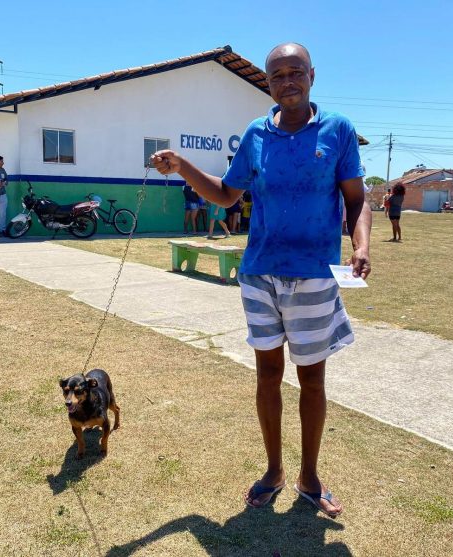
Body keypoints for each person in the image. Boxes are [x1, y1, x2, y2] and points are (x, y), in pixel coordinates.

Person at [151, 42, 371, 519]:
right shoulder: (255, 134)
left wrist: (360, 245)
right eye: (277, 76)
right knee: (268, 375)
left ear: (313, 74)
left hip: (314, 274)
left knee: (312, 379)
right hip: (259, 274)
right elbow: (229, 196)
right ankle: (273, 471)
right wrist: (184, 166)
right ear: (267, 84)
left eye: (296, 72)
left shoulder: (338, 130)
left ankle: (309, 477)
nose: (287, 81)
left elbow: (356, 199)